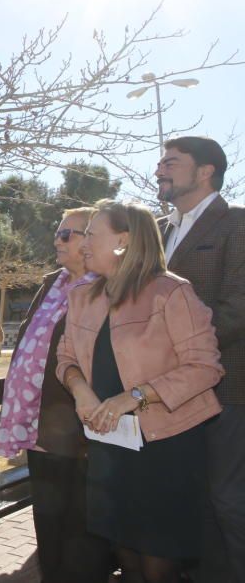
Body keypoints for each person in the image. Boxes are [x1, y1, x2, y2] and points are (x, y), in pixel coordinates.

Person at [56, 199, 224, 583]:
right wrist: (80, 390)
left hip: (166, 448)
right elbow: (66, 358)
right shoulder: (82, 296)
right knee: (126, 556)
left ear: (124, 241)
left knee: (158, 565)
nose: (82, 244)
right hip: (110, 447)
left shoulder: (171, 292)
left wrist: (134, 397)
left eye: (92, 234)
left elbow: (205, 367)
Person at [0, 207, 114, 582]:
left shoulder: (106, 287)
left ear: (92, 238)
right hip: (40, 427)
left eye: (68, 234)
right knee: (48, 525)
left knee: (79, 532)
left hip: (78, 430)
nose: (57, 240)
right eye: (58, 233)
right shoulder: (53, 282)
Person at [154, 136, 245, 583]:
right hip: (170, 396)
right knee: (191, 499)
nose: (159, 170)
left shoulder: (238, 225)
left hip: (226, 389)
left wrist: (175, 353)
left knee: (228, 500)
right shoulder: (159, 230)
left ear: (206, 171)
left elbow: (238, 307)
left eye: (171, 162)